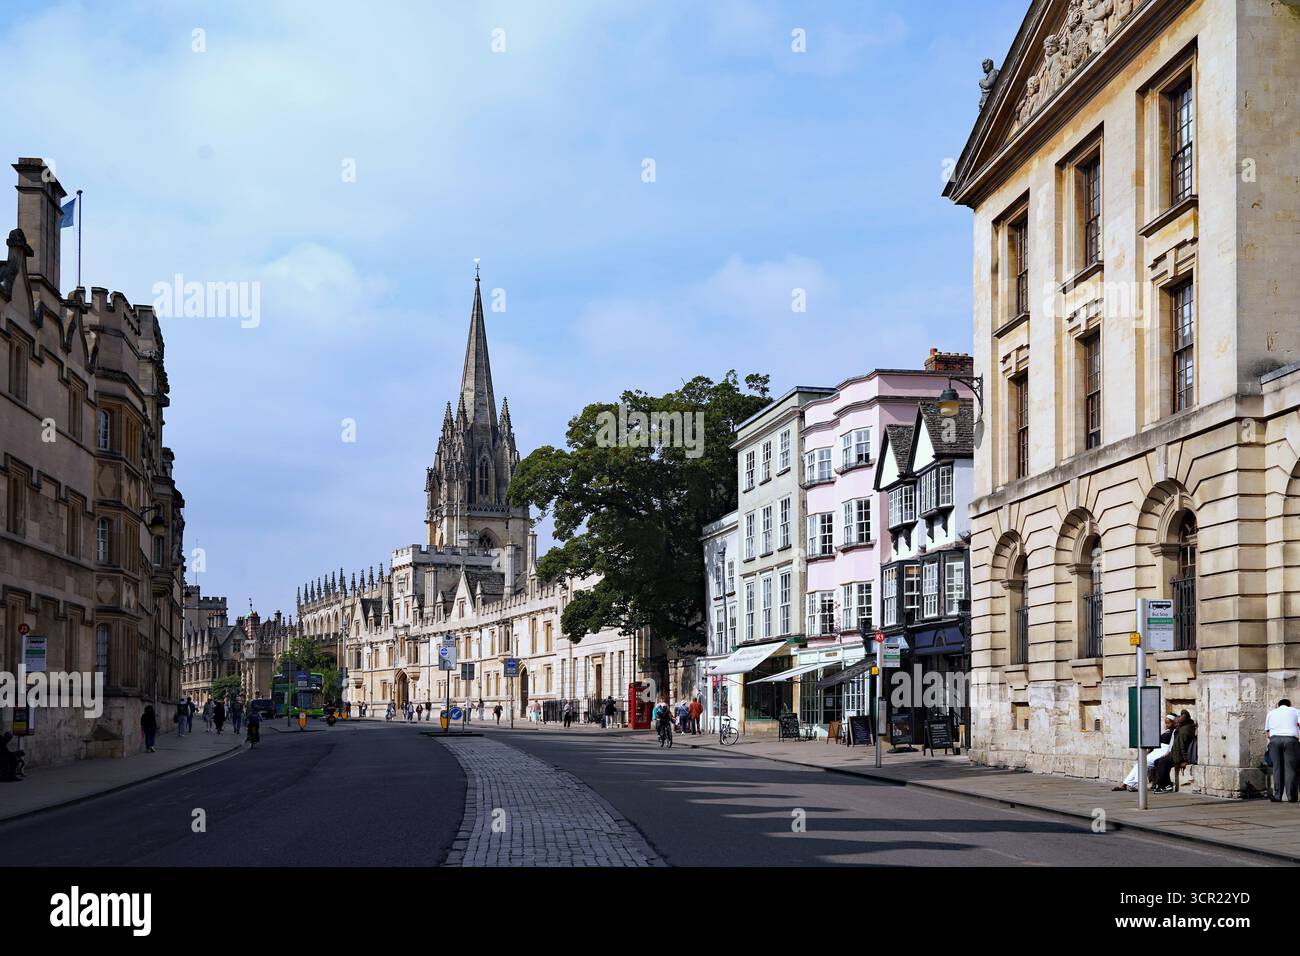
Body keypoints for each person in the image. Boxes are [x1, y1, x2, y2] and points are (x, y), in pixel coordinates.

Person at [1114, 714, 1176, 791]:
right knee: (1140, 762)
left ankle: (1135, 784)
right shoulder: (1167, 731)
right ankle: (1126, 784)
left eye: (1168, 723)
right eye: (1165, 722)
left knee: (1142, 762)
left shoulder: (1174, 732)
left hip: (1163, 751)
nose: (1166, 725)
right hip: (1157, 750)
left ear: (1174, 722)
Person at [1152, 710, 1197, 792]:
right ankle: (1166, 784)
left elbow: (1183, 747)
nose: (1175, 725)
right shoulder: (1180, 729)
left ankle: (1163, 785)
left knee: (1162, 762)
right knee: (1157, 761)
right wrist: (1168, 753)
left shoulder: (1184, 731)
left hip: (1178, 756)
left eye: (1177, 723)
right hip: (1174, 753)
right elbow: (1173, 744)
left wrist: (1185, 761)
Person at [1266, 697, 1300, 802]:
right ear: (1289, 705)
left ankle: (1277, 796)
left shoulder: (1271, 713)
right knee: (1290, 768)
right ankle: (1291, 797)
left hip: (1274, 740)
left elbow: (1267, 732)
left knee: (1277, 768)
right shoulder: (1296, 711)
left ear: (1278, 705)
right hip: (1290, 740)